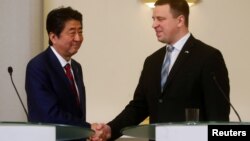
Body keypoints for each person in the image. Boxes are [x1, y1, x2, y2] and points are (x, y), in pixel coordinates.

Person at [91, 0, 230, 140]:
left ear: (180, 20)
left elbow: (218, 117)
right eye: (153, 19)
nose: (154, 25)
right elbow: (139, 107)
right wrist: (110, 130)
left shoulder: (208, 57)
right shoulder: (152, 61)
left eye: (160, 19)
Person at [25, 6, 103, 141]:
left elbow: (77, 112)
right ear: (53, 36)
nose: (78, 38)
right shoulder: (38, 66)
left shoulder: (76, 67)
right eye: (72, 33)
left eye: (80, 31)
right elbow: (49, 115)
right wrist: (88, 128)